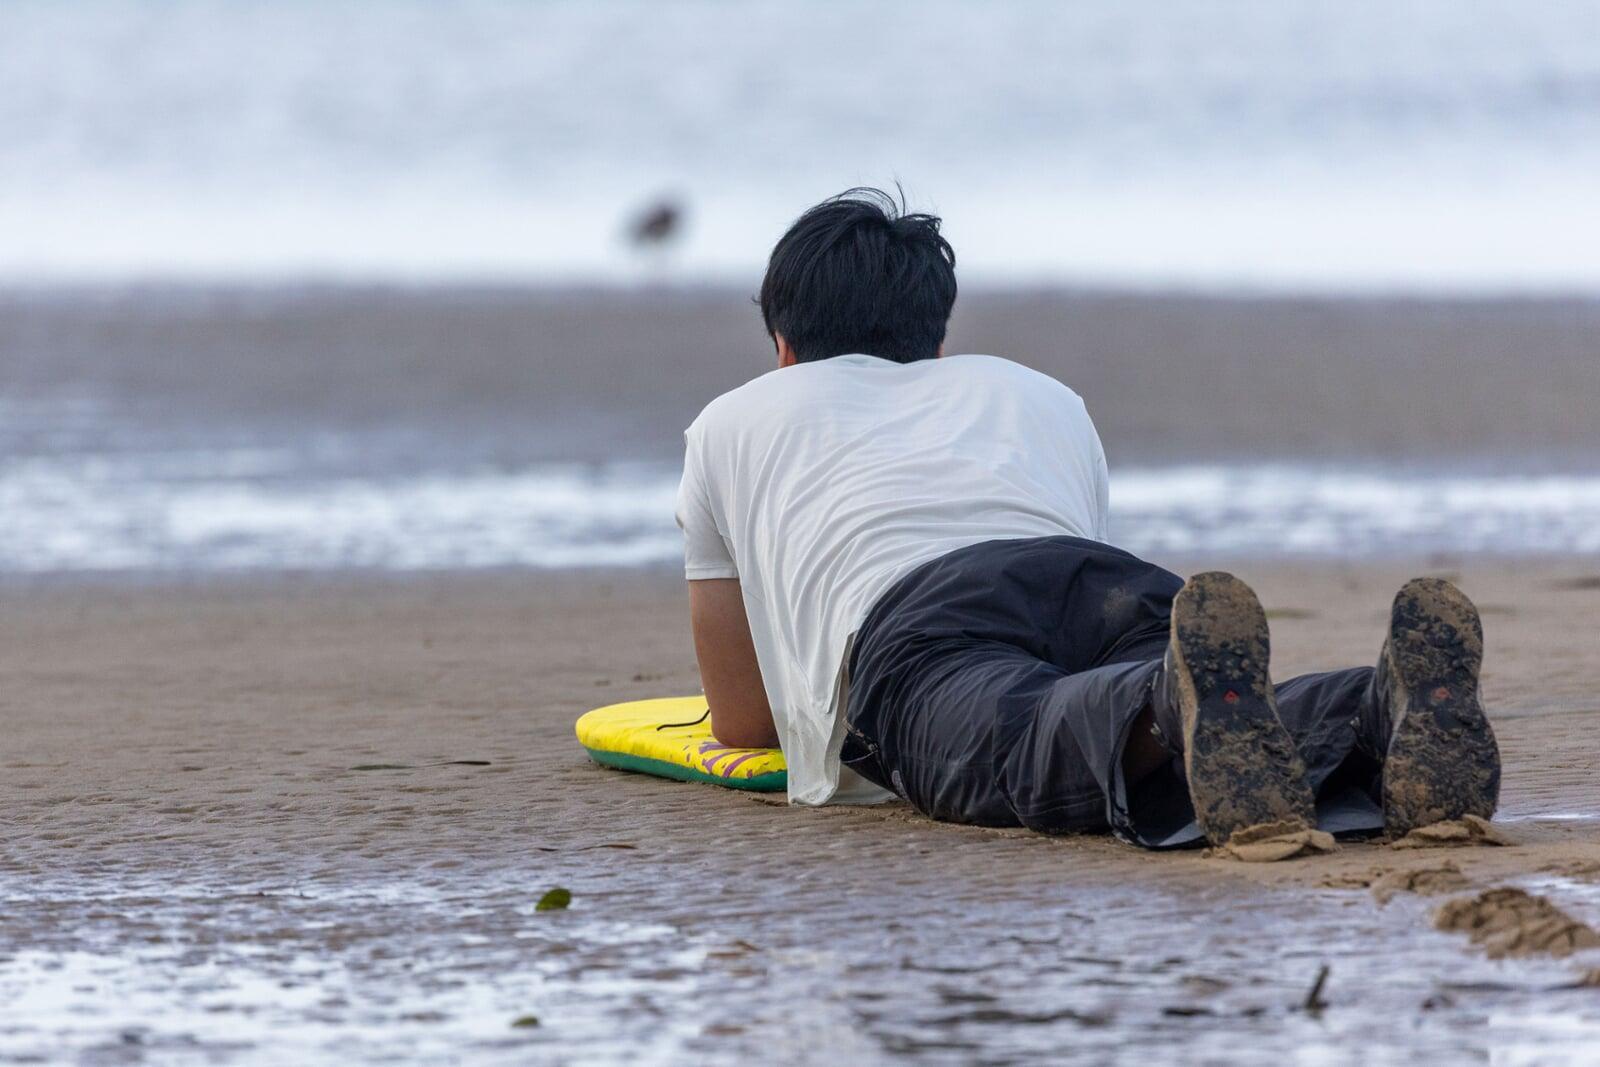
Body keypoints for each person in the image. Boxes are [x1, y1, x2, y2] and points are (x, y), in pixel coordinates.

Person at [674, 188, 1500, 848]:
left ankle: (1161, 702)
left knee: (1022, 724)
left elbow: (745, 724)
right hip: (1097, 584)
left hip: (918, 622)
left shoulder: (730, 422)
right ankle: (1373, 704)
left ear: (782, 347)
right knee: (1216, 701)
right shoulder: (1039, 394)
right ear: (937, 341)